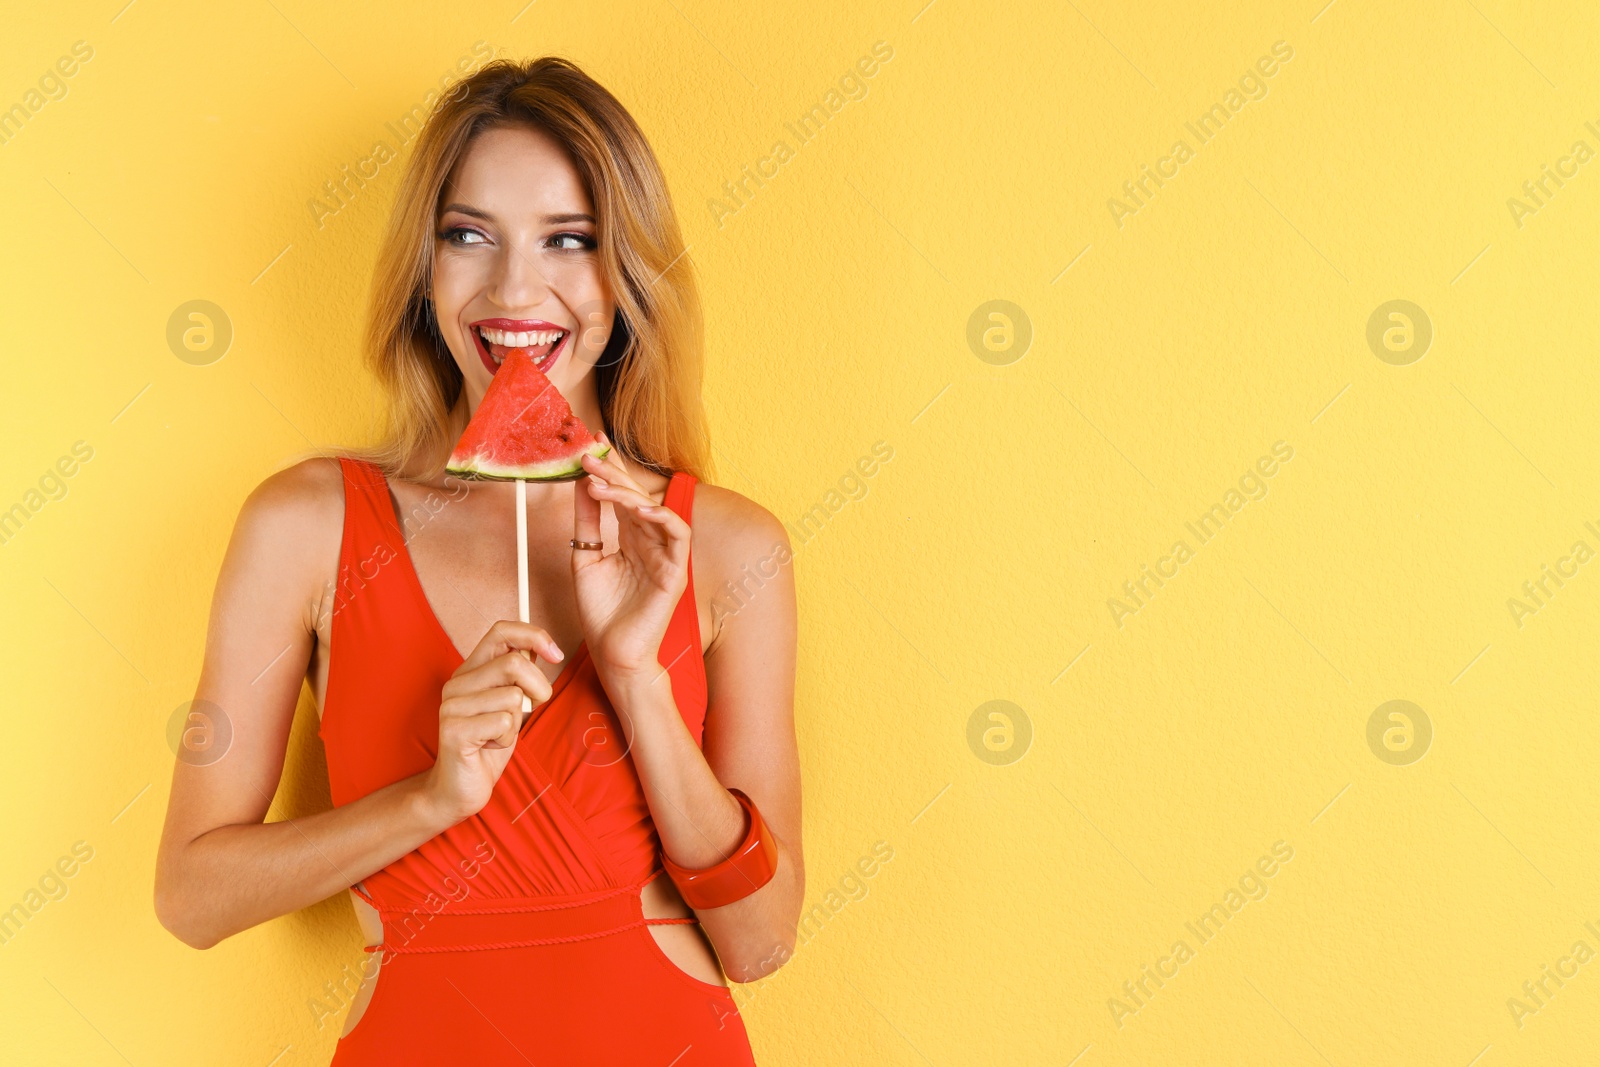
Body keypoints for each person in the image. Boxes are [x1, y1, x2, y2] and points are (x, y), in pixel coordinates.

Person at [154, 56, 802, 1065]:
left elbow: (759, 942)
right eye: (468, 235)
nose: (513, 288)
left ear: (626, 272)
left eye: (570, 240)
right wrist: (433, 796)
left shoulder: (729, 546)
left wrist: (637, 680)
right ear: (425, 266)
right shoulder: (305, 524)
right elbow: (192, 897)